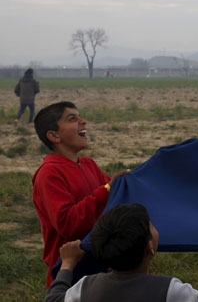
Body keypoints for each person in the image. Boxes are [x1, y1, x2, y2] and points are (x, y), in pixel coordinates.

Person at [45, 203, 198, 301]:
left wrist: (67, 264)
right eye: (151, 225)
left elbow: (54, 299)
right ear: (150, 247)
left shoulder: (86, 287)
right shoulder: (169, 290)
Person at [32, 101, 130, 287]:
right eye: (72, 119)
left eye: (80, 116)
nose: (83, 121)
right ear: (54, 136)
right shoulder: (49, 173)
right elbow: (68, 224)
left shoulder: (88, 164)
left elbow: (114, 199)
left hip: (101, 263)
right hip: (70, 270)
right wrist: (107, 189)